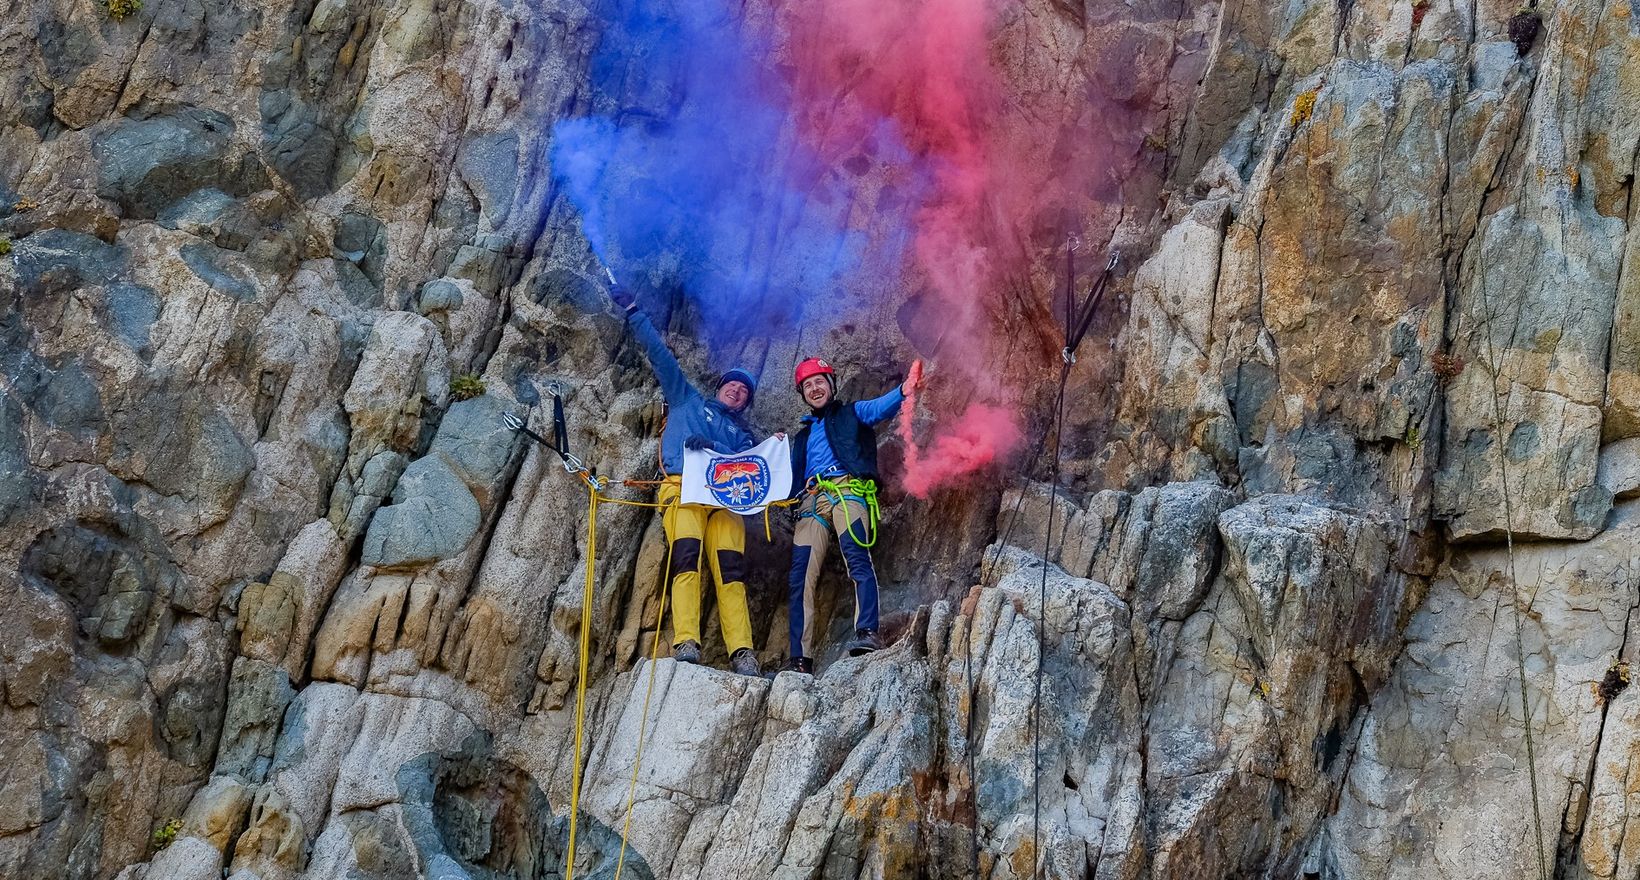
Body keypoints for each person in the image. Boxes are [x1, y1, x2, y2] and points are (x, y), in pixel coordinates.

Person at [611, 285, 762, 677]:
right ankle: (687, 640)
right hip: (682, 488)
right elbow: (661, 358)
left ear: (746, 402)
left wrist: (713, 445)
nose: (737, 390)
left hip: (727, 502)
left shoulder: (743, 437)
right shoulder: (687, 401)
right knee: (685, 562)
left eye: (744, 391)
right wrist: (633, 310)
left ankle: (742, 651)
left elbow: (753, 465)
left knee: (732, 574)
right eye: (733, 384)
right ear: (720, 387)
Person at [785, 356, 923, 674]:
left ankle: (867, 632)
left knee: (856, 557)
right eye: (808, 385)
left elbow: (878, 409)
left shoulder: (851, 413)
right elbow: (785, 475)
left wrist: (904, 389)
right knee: (800, 578)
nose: (814, 388)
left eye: (820, 381)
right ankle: (800, 658)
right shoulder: (802, 437)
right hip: (810, 501)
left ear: (831, 385)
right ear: (803, 394)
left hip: (848, 491)